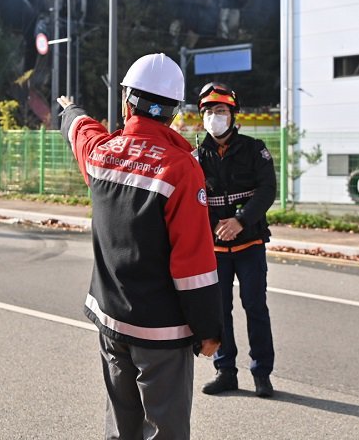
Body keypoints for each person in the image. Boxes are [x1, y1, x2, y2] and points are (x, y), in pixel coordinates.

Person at [57, 53, 222, 440]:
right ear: (173, 113)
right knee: (165, 431)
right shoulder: (181, 168)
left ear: (127, 102)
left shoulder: (103, 154)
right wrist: (209, 329)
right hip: (161, 332)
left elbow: (81, 131)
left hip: (111, 321)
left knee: (121, 426)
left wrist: (70, 110)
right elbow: (193, 262)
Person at [195, 82, 277, 398]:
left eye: (221, 111)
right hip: (215, 247)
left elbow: (267, 190)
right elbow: (193, 200)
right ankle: (225, 371)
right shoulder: (196, 156)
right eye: (209, 112)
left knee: (255, 307)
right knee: (220, 309)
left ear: (232, 115)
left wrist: (240, 221)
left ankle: (261, 374)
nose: (215, 117)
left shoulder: (255, 149)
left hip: (250, 244)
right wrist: (218, 225)